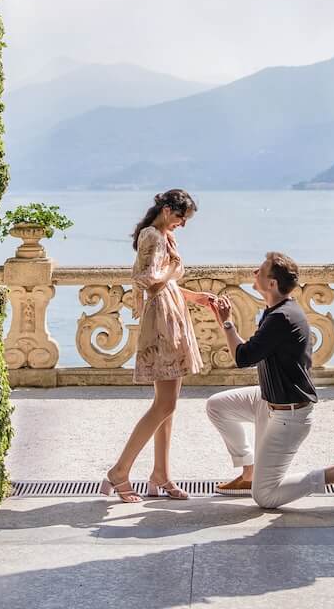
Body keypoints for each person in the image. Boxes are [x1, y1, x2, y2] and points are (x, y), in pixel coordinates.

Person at [204, 251, 334, 509]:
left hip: (290, 414)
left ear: (272, 284)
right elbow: (255, 351)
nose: (254, 272)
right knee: (217, 406)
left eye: (261, 270)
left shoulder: (281, 317)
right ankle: (249, 474)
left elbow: (243, 357)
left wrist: (227, 324)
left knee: (265, 497)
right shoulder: (276, 309)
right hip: (268, 399)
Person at [101, 189, 219, 502]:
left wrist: (194, 297)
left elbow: (166, 283)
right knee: (164, 404)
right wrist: (174, 264)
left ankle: (160, 475)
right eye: (181, 217)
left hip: (170, 311)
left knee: (169, 405)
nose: (183, 223)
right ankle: (119, 472)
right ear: (167, 210)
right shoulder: (154, 235)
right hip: (162, 320)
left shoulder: (161, 234)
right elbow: (150, 279)